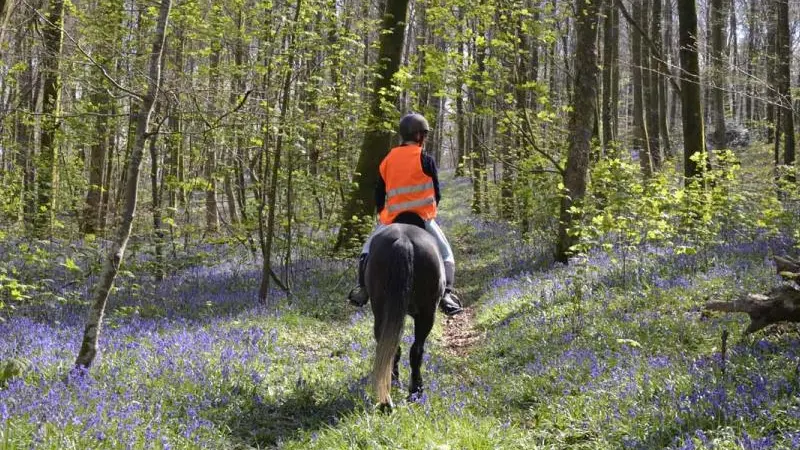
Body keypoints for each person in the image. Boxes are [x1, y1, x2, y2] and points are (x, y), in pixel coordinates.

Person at [348, 113, 463, 316]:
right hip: (422, 219)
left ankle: (362, 289)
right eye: (425, 135)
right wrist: (429, 209)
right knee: (446, 253)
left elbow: (379, 194)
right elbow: (437, 193)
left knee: (367, 250)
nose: (425, 139)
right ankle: (446, 295)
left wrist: (383, 213)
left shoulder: (388, 159)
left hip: (392, 219)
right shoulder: (426, 159)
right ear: (419, 136)